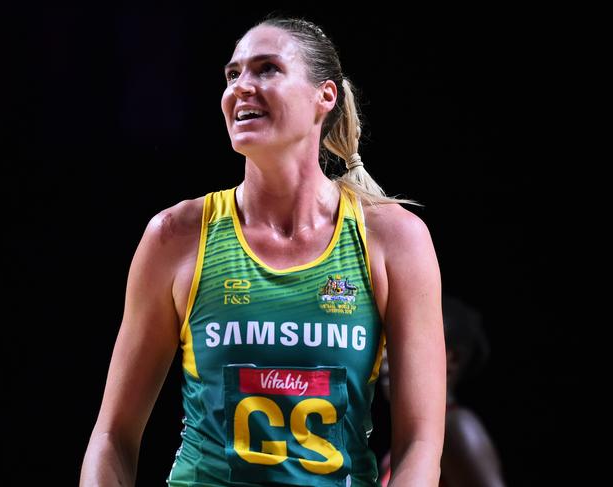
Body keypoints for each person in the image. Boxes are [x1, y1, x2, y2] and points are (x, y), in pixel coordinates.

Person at [80, 14, 446, 487]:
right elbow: (112, 436)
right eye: (233, 75)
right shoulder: (176, 235)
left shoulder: (395, 239)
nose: (240, 88)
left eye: (267, 69)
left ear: (325, 97)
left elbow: (421, 443)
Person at [378, 294, 507, 487]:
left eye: (405, 342)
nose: (386, 355)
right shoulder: (412, 438)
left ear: (451, 358)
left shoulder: (456, 428)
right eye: (387, 342)